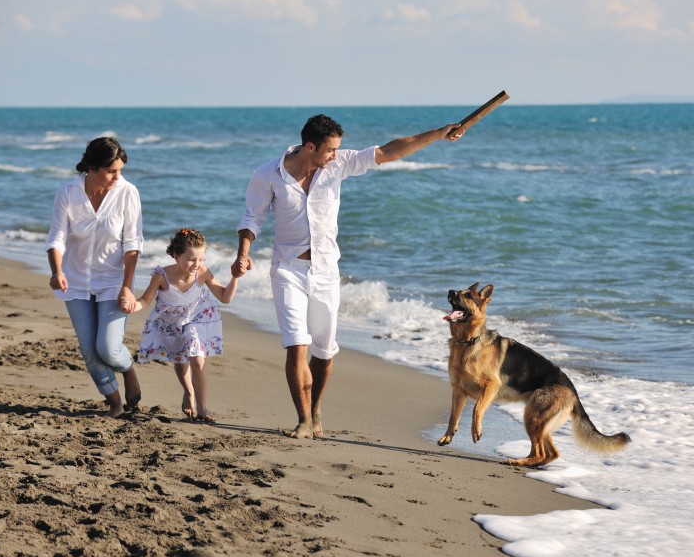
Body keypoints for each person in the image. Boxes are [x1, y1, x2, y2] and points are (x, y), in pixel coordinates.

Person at [231, 114, 463, 439]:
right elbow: (252, 217)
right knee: (296, 345)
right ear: (310, 146)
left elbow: (390, 151)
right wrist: (243, 253)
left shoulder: (338, 165)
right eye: (329, 150)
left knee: (324, 352)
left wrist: (438, 133)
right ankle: (302, 420)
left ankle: (315, 409)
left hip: (326, 271)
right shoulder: (268, 174)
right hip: (288, 269)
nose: (335, 155)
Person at [46, 136, 143, 418]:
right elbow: (57, 237)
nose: (117, 177)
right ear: (92, 167)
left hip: (113, 280)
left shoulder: (127, 192)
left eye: (120, 171)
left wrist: (127, 287)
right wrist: (57, 271)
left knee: (109, 348)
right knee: (90, 350)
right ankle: (114, 403)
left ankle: (127, 368)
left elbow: (132, 244)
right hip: (74, 280)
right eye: (111, 171)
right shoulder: (67, 192)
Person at [121, 228, 238, 423]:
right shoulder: (161, 276)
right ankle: (188, 392)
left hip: (197, 318)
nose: (197, 264)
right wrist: (132, 306)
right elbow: (144, 300)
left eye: (201, 259)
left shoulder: (202, 273)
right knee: (180, 361)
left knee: (197, 356)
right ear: (176, 256)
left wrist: (236, 277)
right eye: (191, 259)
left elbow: (225, 297)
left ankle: (202, 408)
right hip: (172, 323)